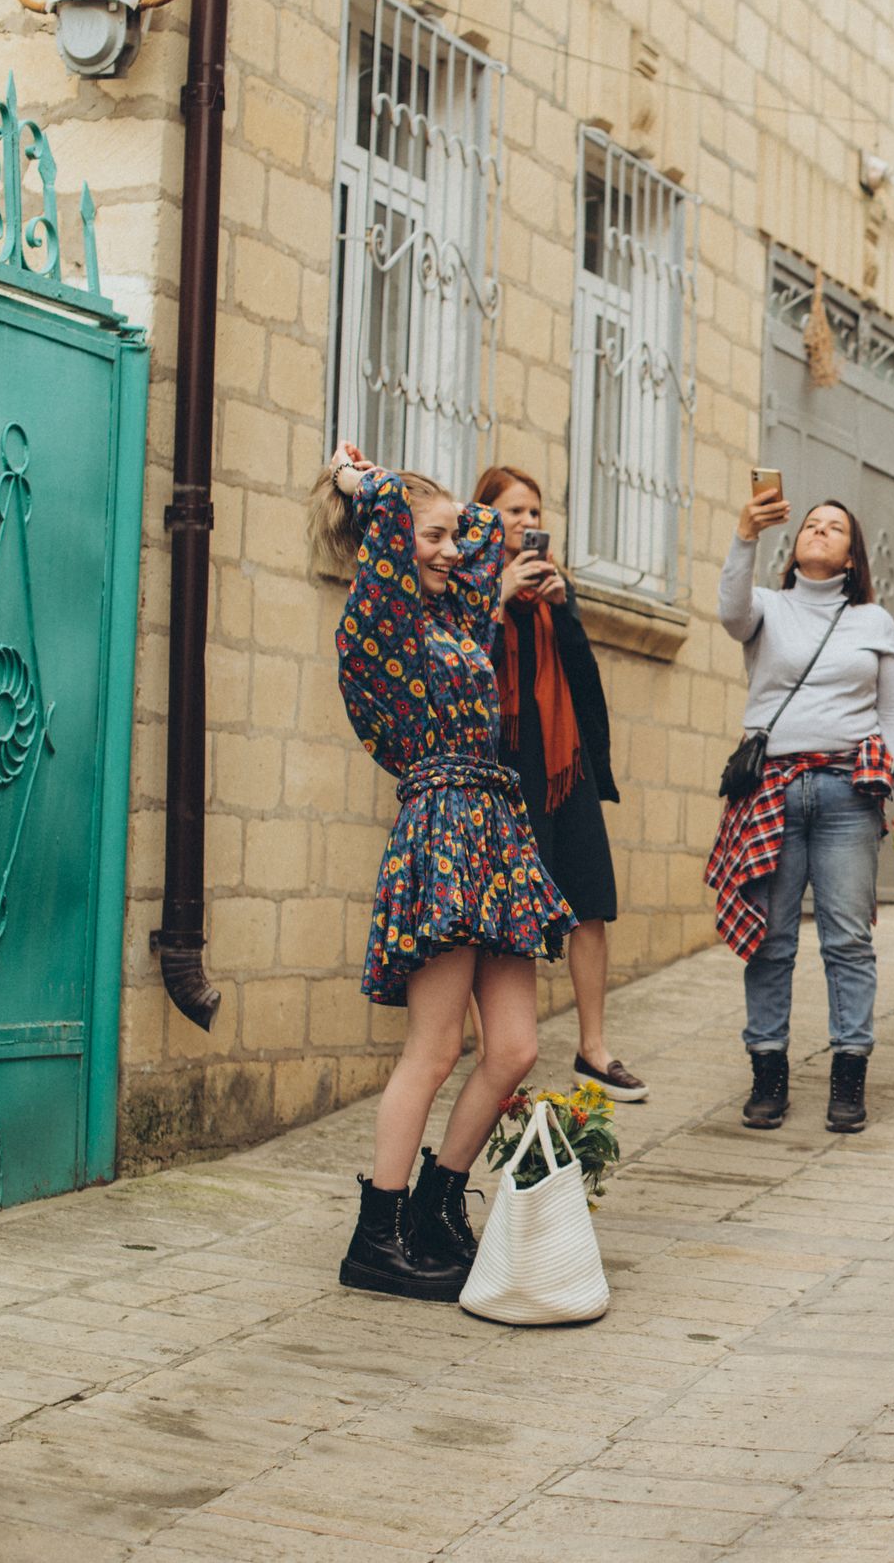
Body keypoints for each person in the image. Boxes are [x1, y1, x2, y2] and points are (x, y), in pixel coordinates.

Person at [314, 444, 576, 1302]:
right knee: (433, 1048)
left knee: (514, 1047)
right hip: (441, 829)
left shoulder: (454, 619)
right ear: (386, 541)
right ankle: (376, 1236)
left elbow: (485, 540)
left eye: (451, 537)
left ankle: (433, 1207)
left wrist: (457, 527)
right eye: (430, 535)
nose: (450, 548)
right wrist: (358, 481)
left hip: (493, 828)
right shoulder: (375, 616)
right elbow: (394, 516)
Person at [706, 480, 894, 1134]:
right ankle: (768, 1073)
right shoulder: (767, 608)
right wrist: (745, 531)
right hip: (770, 789)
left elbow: (892, 714)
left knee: (847, 939)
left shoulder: (874, 621)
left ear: (853, 556)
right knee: (771, 940)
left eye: (834, 526)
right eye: (811, 524)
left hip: (846, 793)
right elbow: (728, 610)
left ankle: (849, 1073)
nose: (819, 530)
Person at [469, 466, 644, 1103]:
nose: (530, 524)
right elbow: (461, 666)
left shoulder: (553, 594)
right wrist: (498, 594)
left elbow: (584, 682)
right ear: (484, 517)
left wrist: (561, 609)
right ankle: (499, 1056)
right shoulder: (469, 584)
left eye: (537, 513)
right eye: (515, 512)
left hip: (563, 760)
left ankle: (593, 1050)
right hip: (504, 771)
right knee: (506, 915)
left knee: (591, 899)